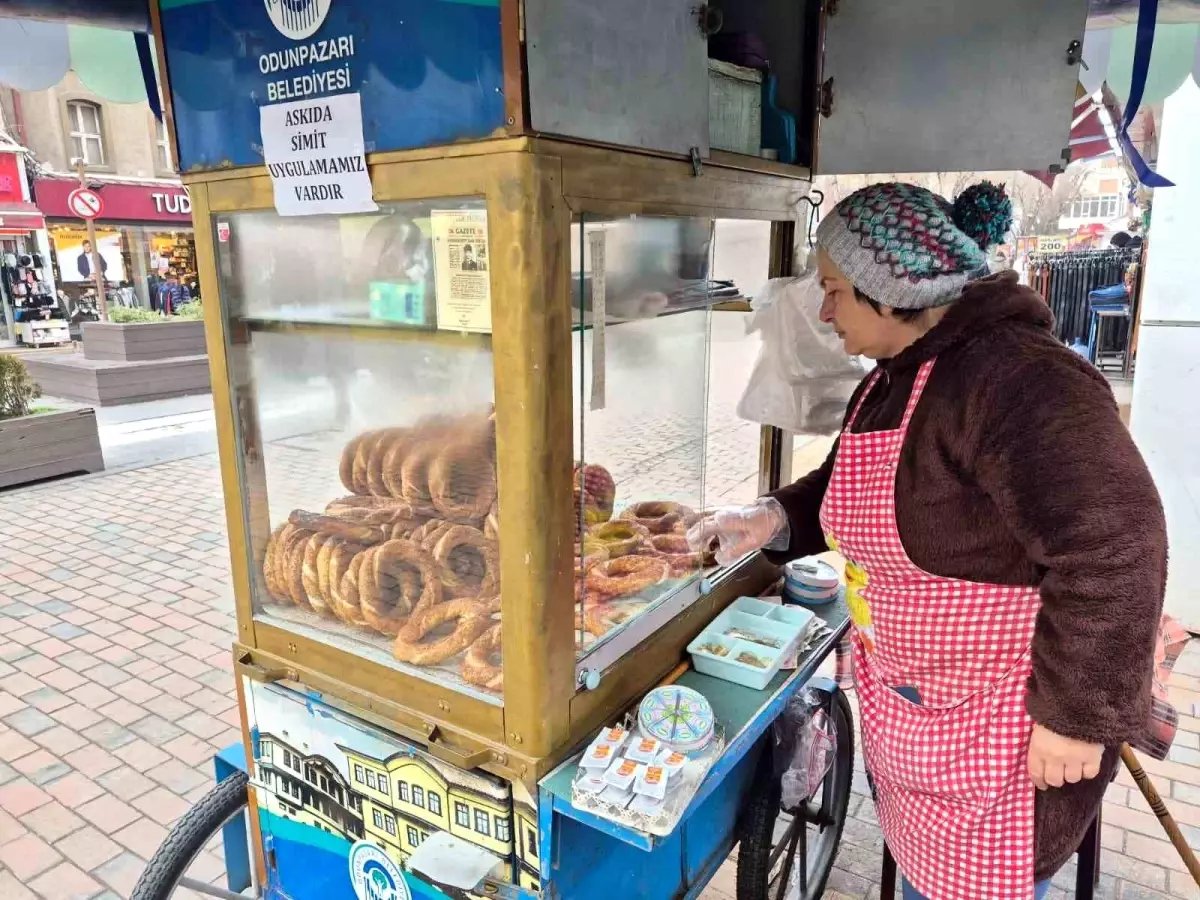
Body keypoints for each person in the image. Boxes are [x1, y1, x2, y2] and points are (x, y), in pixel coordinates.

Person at [690, 182, 1166, 900]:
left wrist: (1075, 720)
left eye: (835, 290)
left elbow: (1118, 546)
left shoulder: (1021, 381)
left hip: (1004, 729)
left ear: (893, 291)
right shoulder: (894, 378)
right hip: (923, 712)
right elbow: (858, 488)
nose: (823, 311)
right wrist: (771, 518)